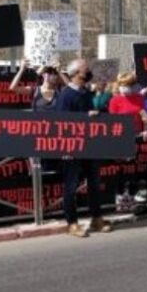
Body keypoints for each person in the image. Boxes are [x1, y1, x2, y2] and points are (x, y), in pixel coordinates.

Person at [56, 59, 112, 237]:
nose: (88, 72)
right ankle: (72, 223)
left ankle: (96, 218)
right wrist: (85, 116)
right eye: (85, 70)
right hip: (71, 147)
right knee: (71, 187)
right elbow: (62, 121)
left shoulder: (86, 93)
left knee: (94, 183)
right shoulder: (65, 95)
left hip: (89, 145)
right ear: (74, 74)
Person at [108, 72, 147, 210]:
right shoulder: (115, 100)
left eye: (127, 85)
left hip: (137, 136)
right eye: (122, 85)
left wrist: (146, 130)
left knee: (134, 168)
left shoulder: (139, 98)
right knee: (121, 169)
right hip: (121, 138)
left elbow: (143, 115)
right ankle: (120, 197)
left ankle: (132, 196)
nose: (124, 88)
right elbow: (112, 121)